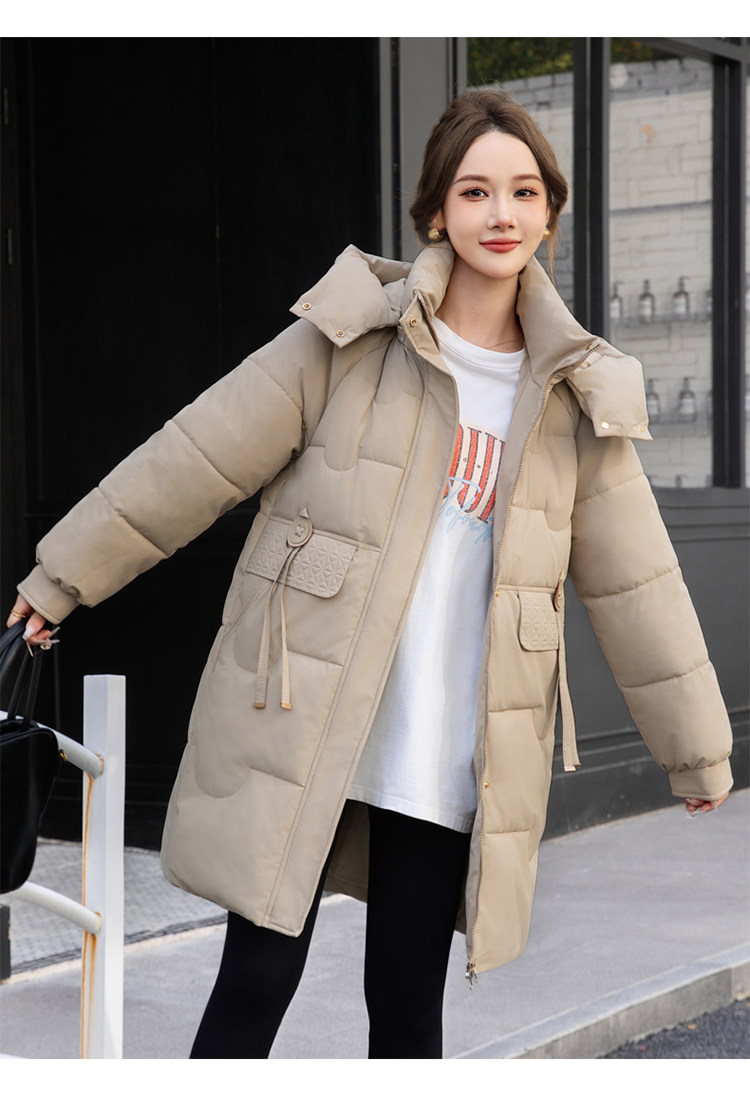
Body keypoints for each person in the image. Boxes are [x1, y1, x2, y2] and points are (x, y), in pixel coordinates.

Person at [8, 89, 732, 1059]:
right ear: (436, 212)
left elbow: (640, 586)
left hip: (447, 744)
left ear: (550, 215)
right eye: (475, 191)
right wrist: (61, 576)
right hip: (304, 721)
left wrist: (696, 752)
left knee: (405, 1010)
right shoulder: (351, 339)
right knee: (254, 984)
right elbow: (195, 457)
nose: (502, 213)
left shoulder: (576, 395)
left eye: (524, 192)